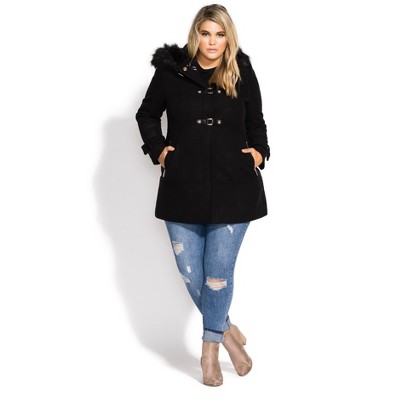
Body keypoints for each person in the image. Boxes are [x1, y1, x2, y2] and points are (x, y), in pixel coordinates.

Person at [136, 4, 270, 386]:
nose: (212, 42)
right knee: (191, 273)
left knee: (217, 276)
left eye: (220, 34)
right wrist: (160, 151)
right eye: (206, 33)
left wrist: (259, 153)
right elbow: (146, 114)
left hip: (234, 188)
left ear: (229, 37)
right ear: (196, 34)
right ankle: (226, 329)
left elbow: (257, 122)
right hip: (182, 188)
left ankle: (209, 350)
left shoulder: (241, 71)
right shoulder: (171, 71)